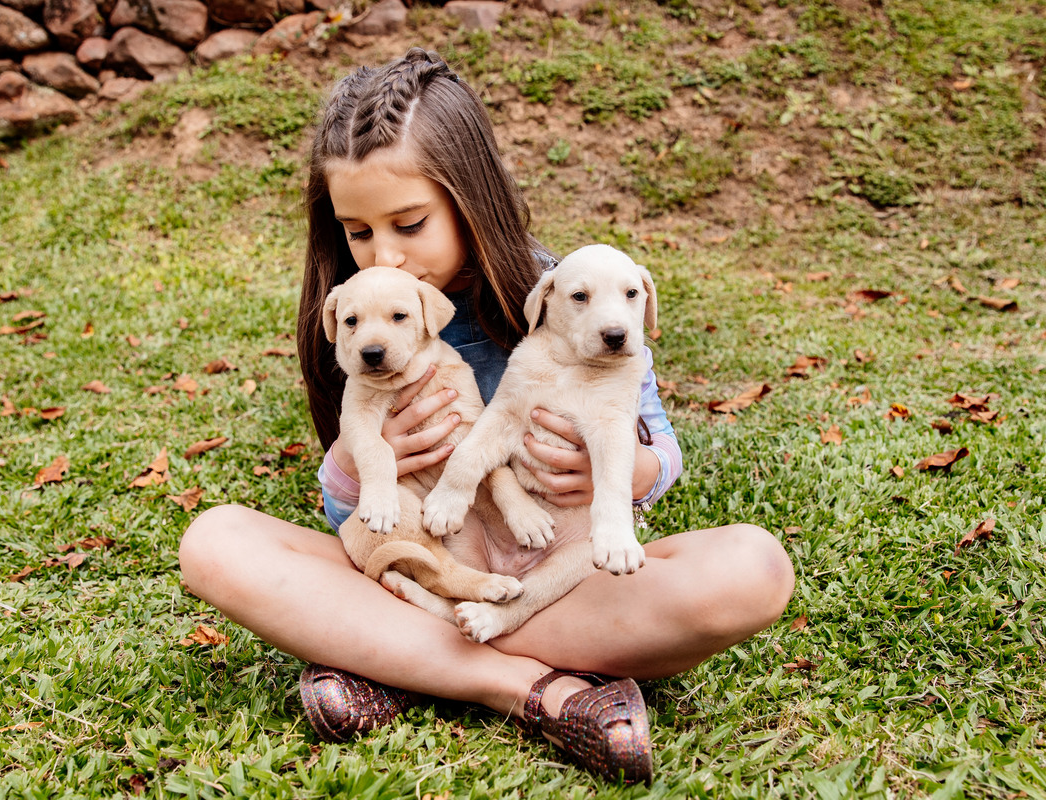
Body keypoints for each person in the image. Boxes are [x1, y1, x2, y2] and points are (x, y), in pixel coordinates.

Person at [178, 47, 794, 783]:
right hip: (426, 561)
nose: (387, 255)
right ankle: (535, 689)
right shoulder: (362, 311)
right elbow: (352, 518)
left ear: (470, 195)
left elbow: (659, 447)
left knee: (753, 568)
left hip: (554, 570)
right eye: (359, 231)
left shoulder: (574, 295)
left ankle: (395, 660)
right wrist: (354, 460)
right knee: (213, 543)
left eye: (409, 223)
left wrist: (623, 470)